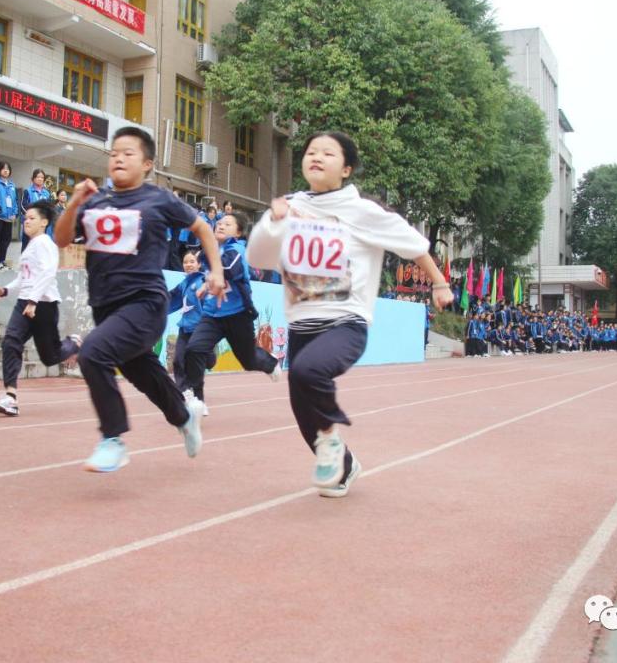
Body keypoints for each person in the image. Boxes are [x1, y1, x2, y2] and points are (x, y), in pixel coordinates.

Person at [246, 131, 453, 498]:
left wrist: (439, 283)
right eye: (311, 151)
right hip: (301, 324)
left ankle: (330, 436)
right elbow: (258, 260)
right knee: (301, 408)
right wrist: (275, 222)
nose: (317, 157)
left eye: (328, 153)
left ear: (347, 169)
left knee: (311, 372)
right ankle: (343, 467)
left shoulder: (363, 212)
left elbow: (415, 245)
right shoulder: (289, 206)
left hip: (346, 321)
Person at [53, 126, 224, 473]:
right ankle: (184, 415)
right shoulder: (96, 200)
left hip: (145, 304)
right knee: (142, 372)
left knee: (93, 354)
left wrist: (216, 272)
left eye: (128, 153)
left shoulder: (159, 199)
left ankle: (113, 439)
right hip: (106, 307)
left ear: (147, 163)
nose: (118, 158)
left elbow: (203, 229)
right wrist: (74, 203)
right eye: (114, 152)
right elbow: (62, 238)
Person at [0, 200, 82, 416]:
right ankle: (10, 397)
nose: (26, 222)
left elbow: (48, 273)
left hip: (44, 304)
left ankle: (74, 342)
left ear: (44, 222)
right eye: (25, 219)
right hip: (25, 301)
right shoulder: (30, 247)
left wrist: (33, 301)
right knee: (11, 341)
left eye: (31, 218)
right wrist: (4, 290)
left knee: (50, 357)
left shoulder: (46, 244)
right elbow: (24, 277)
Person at [181, 211, 279, 405]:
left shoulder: (237, 250)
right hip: (213, 314)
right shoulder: (213, 250)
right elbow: (212, 276)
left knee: (248, 361)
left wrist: (208, 256)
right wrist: (205, 285)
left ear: (238, 232)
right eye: (219, 222)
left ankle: (270, 363)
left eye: (228, 223)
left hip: (237, 315)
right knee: (193, 349)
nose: (221, 225)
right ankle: (197, 401)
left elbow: (227, 270)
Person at [168, 250, 218, 412]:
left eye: (192, 261)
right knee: (178, 361)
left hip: (200, 329)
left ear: (199, 264)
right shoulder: (184, 284)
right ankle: (186, 393)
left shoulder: (203, 280)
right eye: (185, 262)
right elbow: (170, 299)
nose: (188, 265)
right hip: (185, 328)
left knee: (200, 364)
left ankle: (209, 357)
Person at [20, 169, 51, 253]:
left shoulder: (47, 193)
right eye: (38, 177)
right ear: (33, 178)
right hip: (30, 222)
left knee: (40, 244)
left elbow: (49, 208)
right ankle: (25, 264)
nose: (40, 179)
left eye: (42, 177)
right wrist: (30, 217)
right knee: (27, 244)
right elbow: (23, 206)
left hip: (41, 224)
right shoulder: (28, 191)